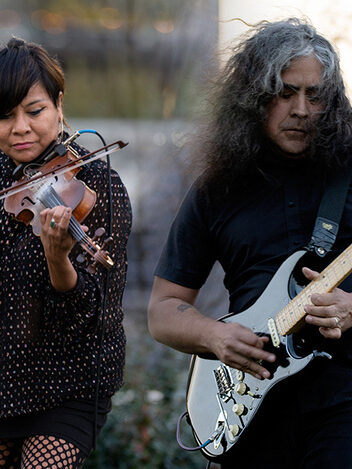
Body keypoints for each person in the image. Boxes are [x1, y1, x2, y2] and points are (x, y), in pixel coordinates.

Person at [148, 18, 352, 469]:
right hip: (250, 409)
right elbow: (163, 310)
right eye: (284, 93)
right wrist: (216, 336)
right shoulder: (217, 188)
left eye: (315, 95)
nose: (301, 109)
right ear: (252, 99)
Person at [0, 38, 131, 468]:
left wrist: (59, 260)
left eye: (33, 111)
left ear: (58, 105)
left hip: (69, 380)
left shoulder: (98, 186)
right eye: (4, 115)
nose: (19, 128)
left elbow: (91, 315)